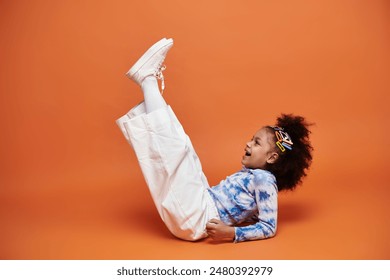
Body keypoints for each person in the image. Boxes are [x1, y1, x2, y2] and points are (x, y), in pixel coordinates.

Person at [116, 38, 313, 243]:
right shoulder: (255, 176)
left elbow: (268, 226)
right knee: (180, 146)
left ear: (272, 157)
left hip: (200, 217)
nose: (248, 144)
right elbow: (251, 211)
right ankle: (147, 81)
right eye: (252, 140)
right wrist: (241, 219)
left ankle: (147, 79)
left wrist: (232, 233)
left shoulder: (265, 180)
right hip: (202, 204)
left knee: (175, 150)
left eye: (256, 143)